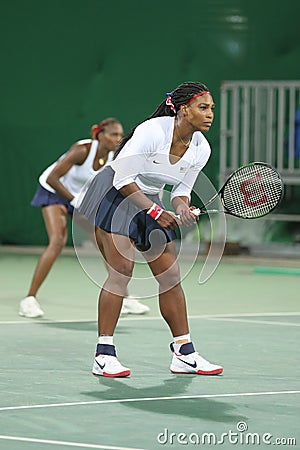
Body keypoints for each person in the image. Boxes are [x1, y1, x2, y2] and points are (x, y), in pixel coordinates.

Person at [78, 82, 223, 377]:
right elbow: (121, 177)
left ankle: (184, 353)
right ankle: (103, 354)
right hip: (115, 190)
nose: (210, 115)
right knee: (121, 270)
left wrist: (181, 209)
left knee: (170, 275)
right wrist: (156, 211)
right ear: (184, 110)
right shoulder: (152, 131)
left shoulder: (201, 148)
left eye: (211, 109)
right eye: (203, 108)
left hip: (148, 197)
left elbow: (181, 192)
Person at [19, 118, 150, 318]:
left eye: (120, 134)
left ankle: (122, 296)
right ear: (100, 135)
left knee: (104, 242)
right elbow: (52, 177)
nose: (118, 139)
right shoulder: (83, 151)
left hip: (79, 197)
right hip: (54, 192)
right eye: (113, 134)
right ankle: (29, 299)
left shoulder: (114, 158)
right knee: (58, 240)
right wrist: (73, 200)